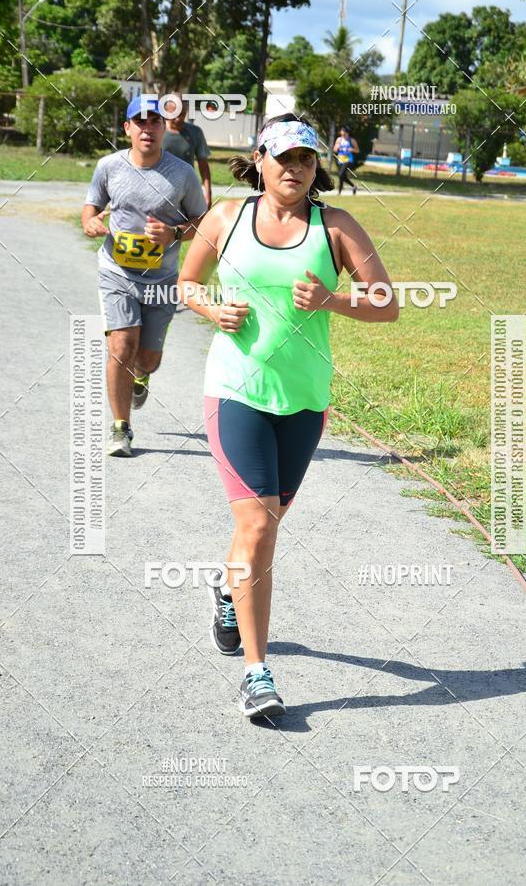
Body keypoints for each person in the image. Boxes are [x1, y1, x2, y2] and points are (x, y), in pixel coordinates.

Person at [179, 113, 398, 718]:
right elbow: (187, 282)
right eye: (285, 158)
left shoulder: (338, 227)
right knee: (257, 527)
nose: (296, 169)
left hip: (304, 402)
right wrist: (211, 310)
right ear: (260, 159)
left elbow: (387, 304)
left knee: (264, 525)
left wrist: (333, 299)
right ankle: (257, 674)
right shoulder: (226, 218)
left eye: (306, 159)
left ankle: (227, 590)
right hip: (235, 392)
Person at [82, 95, 207, 457]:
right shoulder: (109, 166)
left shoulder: (183, 174)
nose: (148, 127)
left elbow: (202, 222)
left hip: (163, 278)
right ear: (127, 128)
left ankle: (141, 376)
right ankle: (121, 428)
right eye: (140, 121)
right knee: (121, 344)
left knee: (148, 357)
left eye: (155, 121)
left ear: (164, 127)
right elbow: (92, 205)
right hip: (116, 272)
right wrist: (90, 221)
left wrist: (174, 234)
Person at [162, 95, 212, 210]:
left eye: (182, 114)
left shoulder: (195, 132)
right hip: (161, 191)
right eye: (175, 114)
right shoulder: (158, 131)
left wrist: (208, 193)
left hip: (188, 192)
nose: (179, 119)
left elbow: (203, 164)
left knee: (191, 225)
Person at [333, 125, 359, 195]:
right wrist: (337, 147)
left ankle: (339, 192)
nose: (343, 133)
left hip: (348, 160)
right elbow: (334, 149)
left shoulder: (352, 140)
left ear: (348, 133)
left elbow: (357, 150)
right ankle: (353, 187)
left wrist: (352, 149)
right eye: (342, 132)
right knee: (342, 176)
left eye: (345, 132)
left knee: (341, 174)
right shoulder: (339, 139)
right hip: (340, 159)